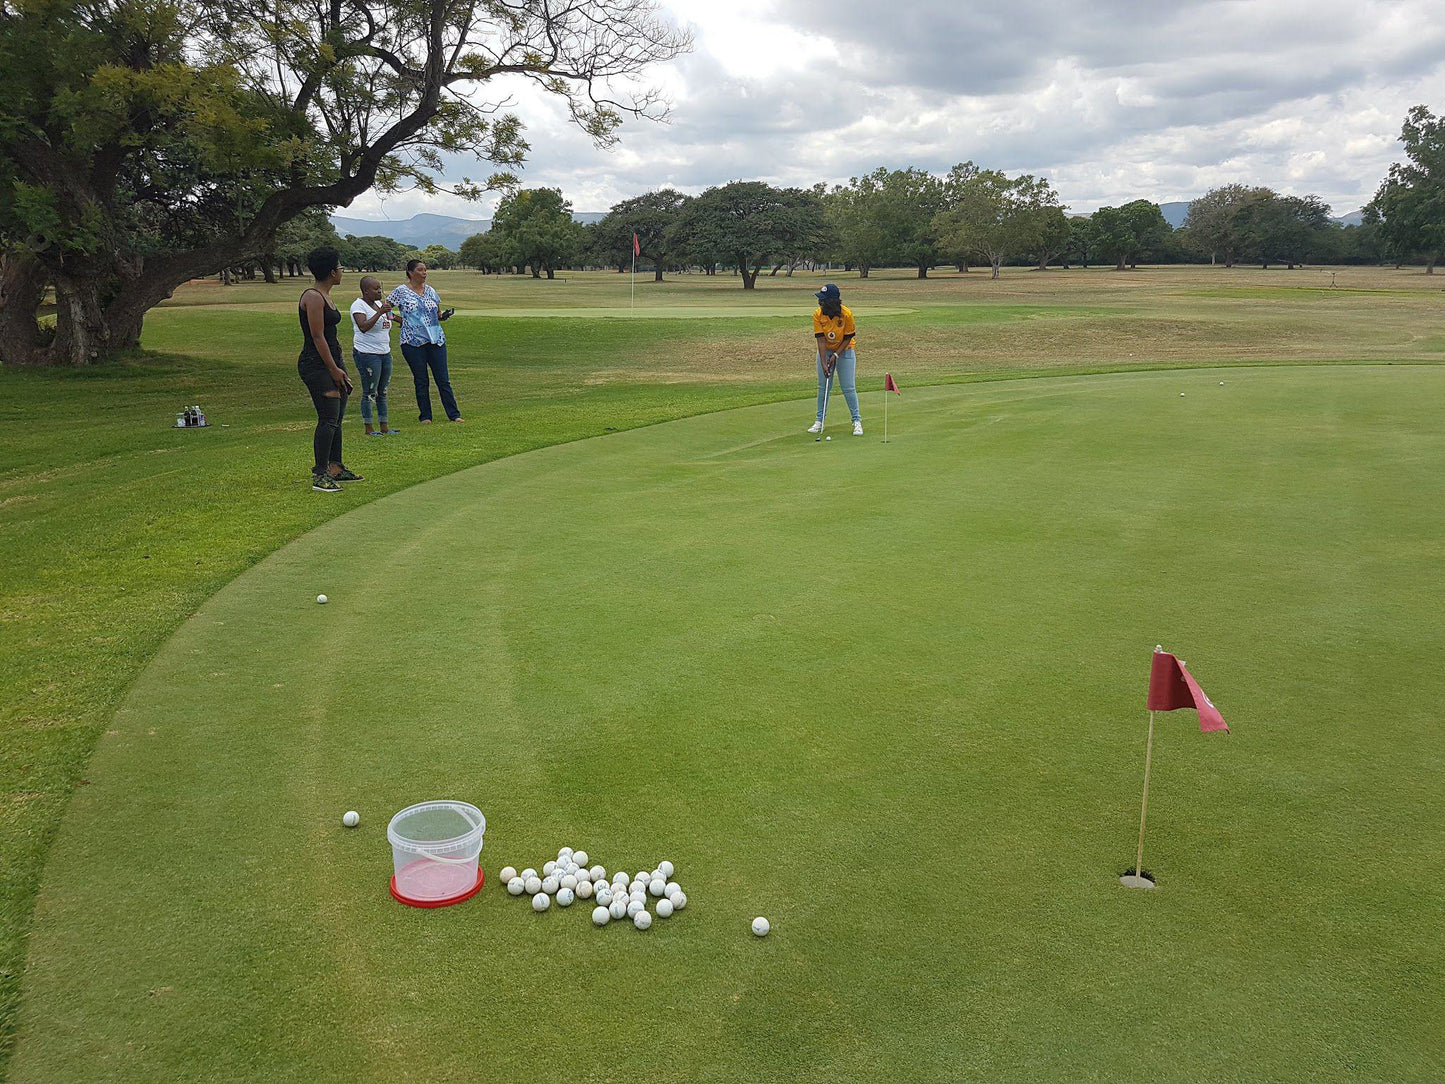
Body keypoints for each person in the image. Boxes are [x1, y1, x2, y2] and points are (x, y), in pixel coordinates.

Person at [298, 247, 362, 492]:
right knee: (327, 418)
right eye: (340, 266)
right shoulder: (313, 297)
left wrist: (338, 366)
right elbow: (317, 336)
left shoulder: (326, 295)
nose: (342, 270)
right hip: (317, 365)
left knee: (337, 418)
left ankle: (336, 467)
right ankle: (320, 474)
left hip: (333, 362)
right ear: (332, 271)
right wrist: (333, 369)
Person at [388, 260, 461, 424]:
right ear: (410, 272)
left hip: (435, 339)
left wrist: (443, 316)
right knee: (421, 380)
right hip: (412, 342)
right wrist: (401, 320)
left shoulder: (431, 291)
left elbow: (437, 313)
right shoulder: (401, 291)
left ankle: (454, 414)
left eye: (425, 270)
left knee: (443, 379)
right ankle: (425, 416)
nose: (424, 273)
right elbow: (386, 310)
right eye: (420, 270)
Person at [809, 283, 863, 435]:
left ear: (832, 302)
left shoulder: (846, 314)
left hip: (845, 350)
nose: (820, 303)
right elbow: (820, 340)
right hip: (825, 351)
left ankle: (856, 421)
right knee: (823, 387)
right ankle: (819, 421)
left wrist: (836, 355)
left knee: (848, 387)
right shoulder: (818, 314)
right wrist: (823, 362)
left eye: (823, 300)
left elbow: (848, 338)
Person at [350, 276, 399, 436]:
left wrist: (403, 320)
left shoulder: (379, 304)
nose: (380, 291)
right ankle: (369, 428)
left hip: (384, 352)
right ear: (366, 291)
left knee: (382, 391)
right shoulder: (358, 306)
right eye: (376, 289)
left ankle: (384, 427)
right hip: (367, 354)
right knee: (370, 391)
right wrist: (379, 312)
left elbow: (391, 318)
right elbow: (363, 326)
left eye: (380, 288)